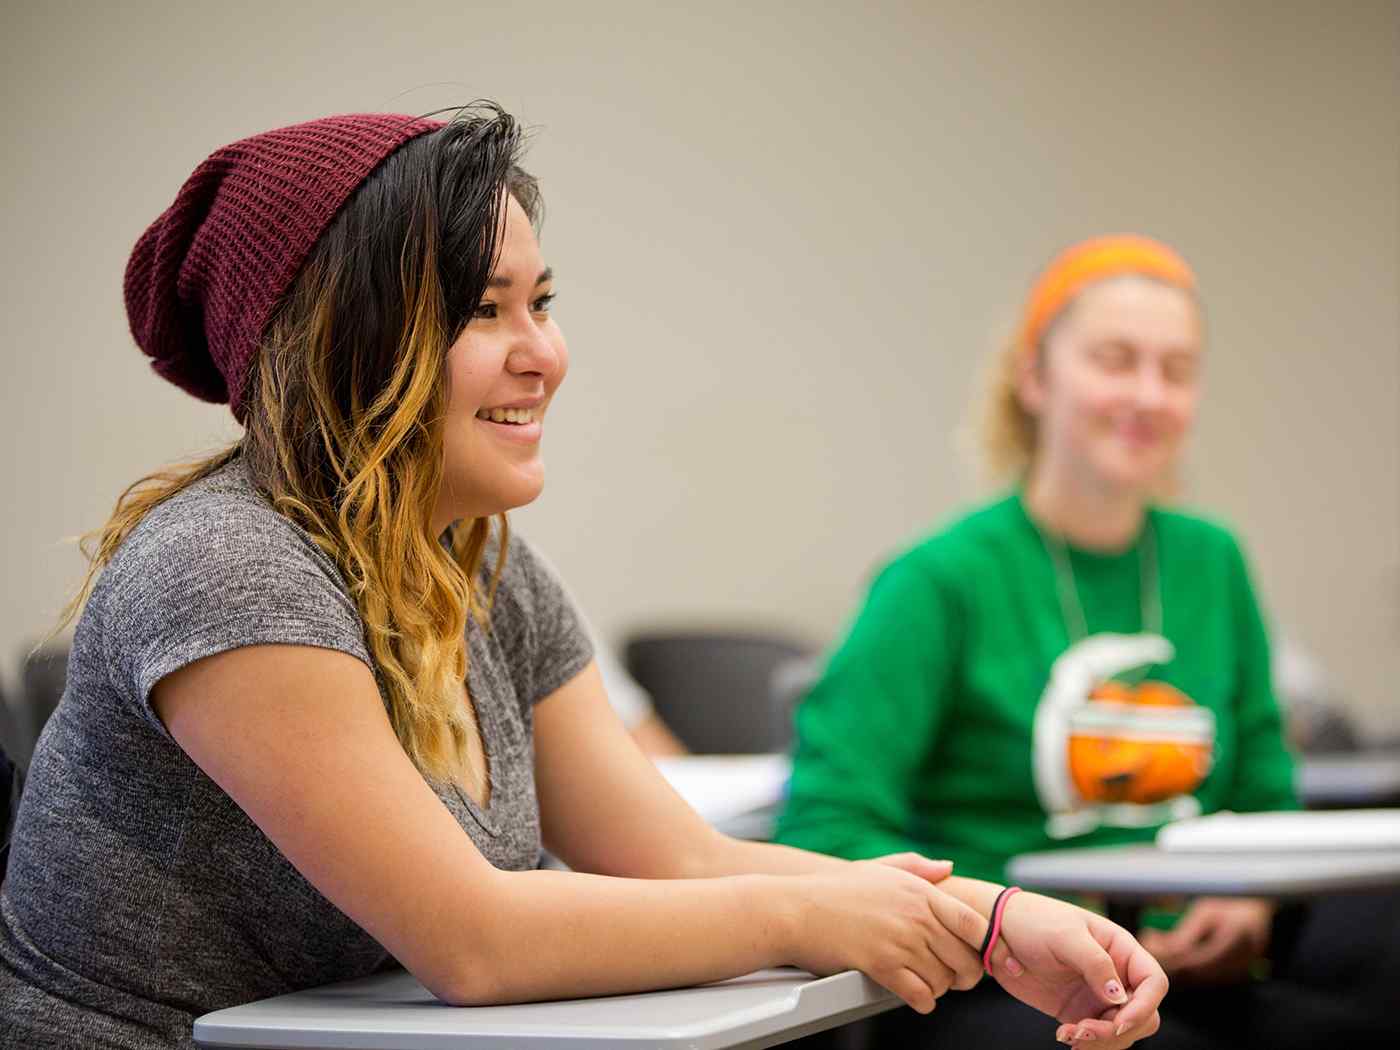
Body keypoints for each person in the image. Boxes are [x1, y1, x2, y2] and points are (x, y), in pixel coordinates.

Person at [0, 108, 1167, 1050]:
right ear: (338, 337)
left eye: (540, 304)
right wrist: (819, 910)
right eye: (480, 311)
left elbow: (685, 859)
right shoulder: (225, 568)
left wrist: (997, 919)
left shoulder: (483, 571)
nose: (541, 354)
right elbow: (478, 941)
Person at [775, 234, 1398, 1047]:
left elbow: (1263, 794)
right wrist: (1006, 925)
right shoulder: (938, 580)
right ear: (1034, 378)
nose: (1147, 393)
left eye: (1176, 370)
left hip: (1190, 971)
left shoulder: (1213, 561)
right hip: (1007, 985)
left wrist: (1244, 903)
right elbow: (826, 825)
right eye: (1115, 359)